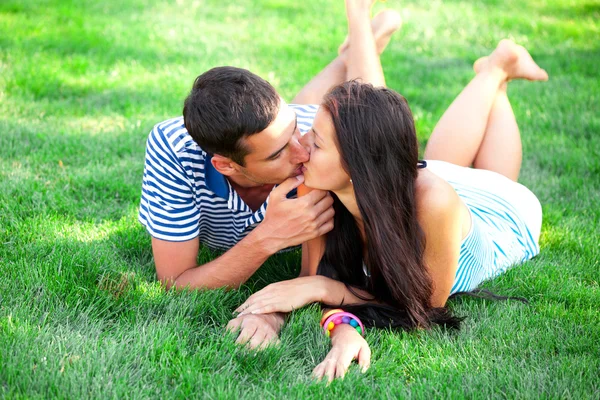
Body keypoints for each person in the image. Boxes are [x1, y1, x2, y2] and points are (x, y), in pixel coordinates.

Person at [234, 38, 549, 380]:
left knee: (492, 176)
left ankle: (497, 74)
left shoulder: (434, 203)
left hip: (501, 215)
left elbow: (426, 308)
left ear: (357, 166)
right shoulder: (318, 184)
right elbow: (309, 281)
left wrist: (326, 289)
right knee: (440, 164)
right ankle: (496, 68)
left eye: (317, 142)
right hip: (405, 184)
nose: (302, 147)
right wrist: (270, 315)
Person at [138, 0, 402, 349]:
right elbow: (175, 283)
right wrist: (268, 238)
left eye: (295, 130)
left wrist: (272, 312)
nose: (303, 151)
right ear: (225, 166)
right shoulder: (172, 150)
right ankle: (350, 52)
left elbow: (373, 132)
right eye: (280, 153)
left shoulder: (310, 142)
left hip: (305, 119)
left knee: (362, 114)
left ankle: (359, 32)